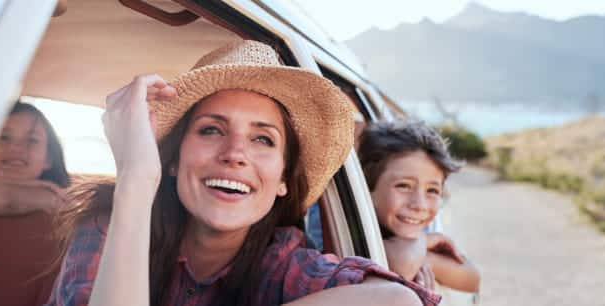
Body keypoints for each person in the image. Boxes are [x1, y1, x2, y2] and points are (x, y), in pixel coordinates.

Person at [46, 40, 439, 306]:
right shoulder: (108, 228)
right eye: (211, 130)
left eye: (263, 140)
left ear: (284, 177)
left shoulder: (282, 262)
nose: (235, 154)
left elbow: (397, 300)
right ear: (171, 159)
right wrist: (134, 177)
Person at [0, 102, 71, 306]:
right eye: (3, 137)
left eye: (31, 140)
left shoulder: (66, 204)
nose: (16, 147)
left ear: (49, 159)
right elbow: (8, 200)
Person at [358, 120, 481, 293]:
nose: (419, 205)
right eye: (403, 186)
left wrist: (423, 256)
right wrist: (424, 241)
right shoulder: (352, 230)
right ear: (367, 188)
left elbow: (472, 279)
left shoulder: (410, 224)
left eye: (432, 190)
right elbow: (402, 266)